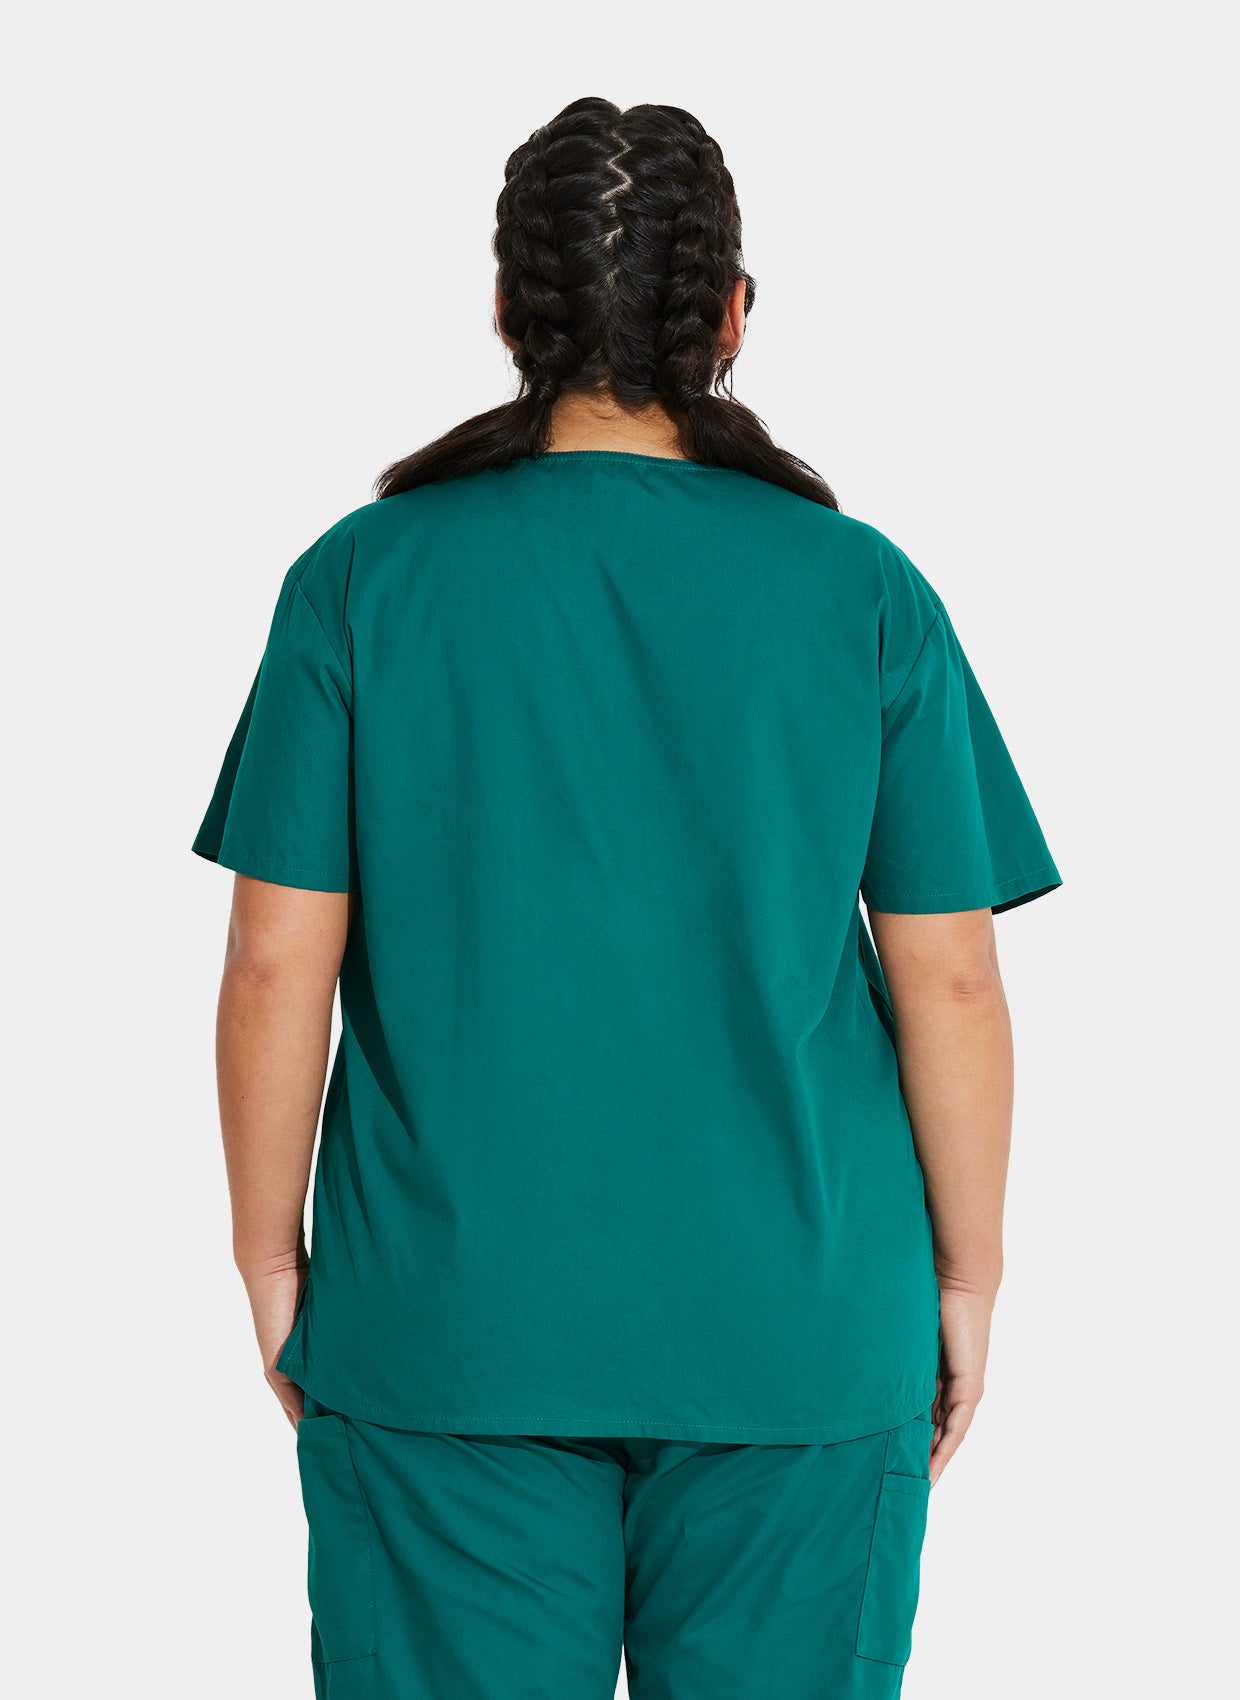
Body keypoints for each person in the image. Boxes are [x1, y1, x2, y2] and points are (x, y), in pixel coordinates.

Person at [194, 96, 1062, 1700]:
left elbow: (272, 966)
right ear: (730, 314)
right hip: (799, 1327)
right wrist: (967, 1277)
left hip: (448, 1323)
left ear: (508, 312)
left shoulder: (363, 580)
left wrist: (270, 1263)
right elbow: (951, 977)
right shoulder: (860, 589)